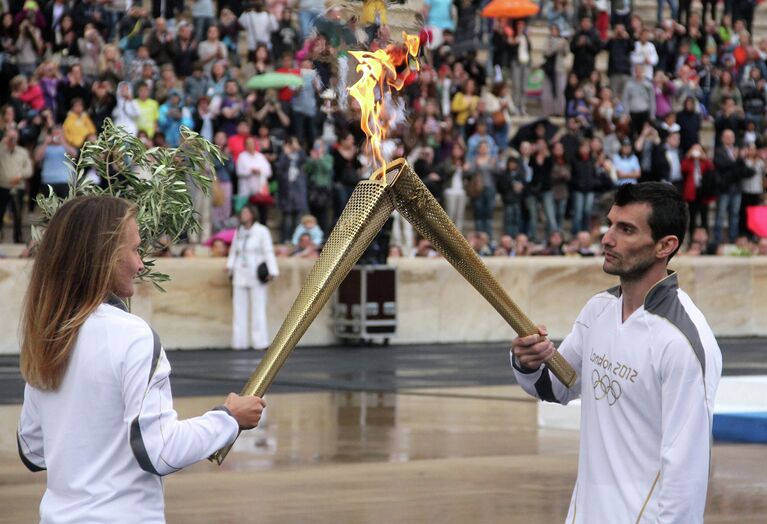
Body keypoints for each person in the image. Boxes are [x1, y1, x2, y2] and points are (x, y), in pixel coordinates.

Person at [17, 196, 266, 523]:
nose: (140, 264)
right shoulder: (132, 335)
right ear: (104, 256)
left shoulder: (47, 333)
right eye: (134, 250)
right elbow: (161, 451)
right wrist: (228, 419)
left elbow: (33, 449)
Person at [511, 183, 722, 523]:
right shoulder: (599, 310)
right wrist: (527, 361)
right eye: (610, 224)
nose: (607, 238)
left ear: (665, 246)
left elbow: (687, 474)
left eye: (626, 230)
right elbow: (557, 386)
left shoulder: (682, 342)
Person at [226, 203, 279, 351]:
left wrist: (272, 271)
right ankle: (239, 342)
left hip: (256, 272)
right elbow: (233, 251)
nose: (243, 215)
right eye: (242, 212)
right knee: (239, 309)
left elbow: (268, 251)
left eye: (245, 212)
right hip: (240, 272)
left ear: (252, 214)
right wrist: (230, 266)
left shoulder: (262, 231)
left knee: (258, 308)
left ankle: (260, 341)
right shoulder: (239, 231)